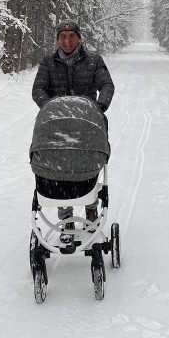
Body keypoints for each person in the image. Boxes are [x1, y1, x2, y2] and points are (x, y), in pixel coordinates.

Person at [32, 21, 114, 241]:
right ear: (57, 39)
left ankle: (90, 208)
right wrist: (50, 108)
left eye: (71, 36)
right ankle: (65, 217)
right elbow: (38, 88)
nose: (67, 41)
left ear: (79, 38)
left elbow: (106, 85)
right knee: (59, 168)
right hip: (58, 125)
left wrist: (98, 108)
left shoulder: (94, 61)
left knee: (87, 164)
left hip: (87, 125)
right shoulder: (49, 62)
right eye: (62, 37)